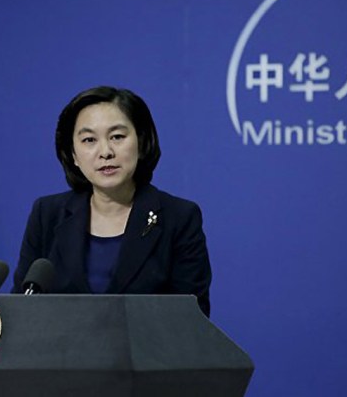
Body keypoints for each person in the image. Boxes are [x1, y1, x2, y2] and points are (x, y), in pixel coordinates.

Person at [11, 86, 212, 316]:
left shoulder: (179, 218)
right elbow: (21, 309)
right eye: (89, 140)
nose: (105, 152)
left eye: (117, 137)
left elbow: (192, 319)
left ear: (141, 142)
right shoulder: (47, 214)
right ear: (73, 154)